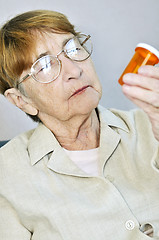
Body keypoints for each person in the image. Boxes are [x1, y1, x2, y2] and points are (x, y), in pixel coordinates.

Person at [0, 9, 159, 240]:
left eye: (73, 49)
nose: (75, 70)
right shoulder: (6, 176)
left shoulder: (150, 126)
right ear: (21, 100)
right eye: (45, 66)